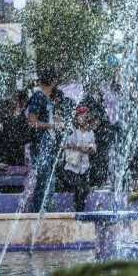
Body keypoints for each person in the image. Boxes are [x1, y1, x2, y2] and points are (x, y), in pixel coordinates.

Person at [27, 68, 65, 213]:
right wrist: (52, 125)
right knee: (45, 182)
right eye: (56, 80)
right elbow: (32, 122)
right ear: (53, 81)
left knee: (49, 183)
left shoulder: (48, 99)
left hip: (47, 145)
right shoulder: (38, 96)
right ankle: (37, 214)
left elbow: (45, 120)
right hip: (40, 145)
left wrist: (56, 121)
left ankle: (41, 213)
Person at [60, 107, 97, 213]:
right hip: (73, 166)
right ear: (77, 118)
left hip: (85, 166)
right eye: (81, 117)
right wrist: (78, 147)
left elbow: (95, 148)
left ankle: (80, 211)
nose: (84, 120)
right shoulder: (72, 131)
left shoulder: (91, 133)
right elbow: (64, 144)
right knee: (79, 188)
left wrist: (91, 149)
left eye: (85, 117)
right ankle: (78, 212)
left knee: (85, 189)